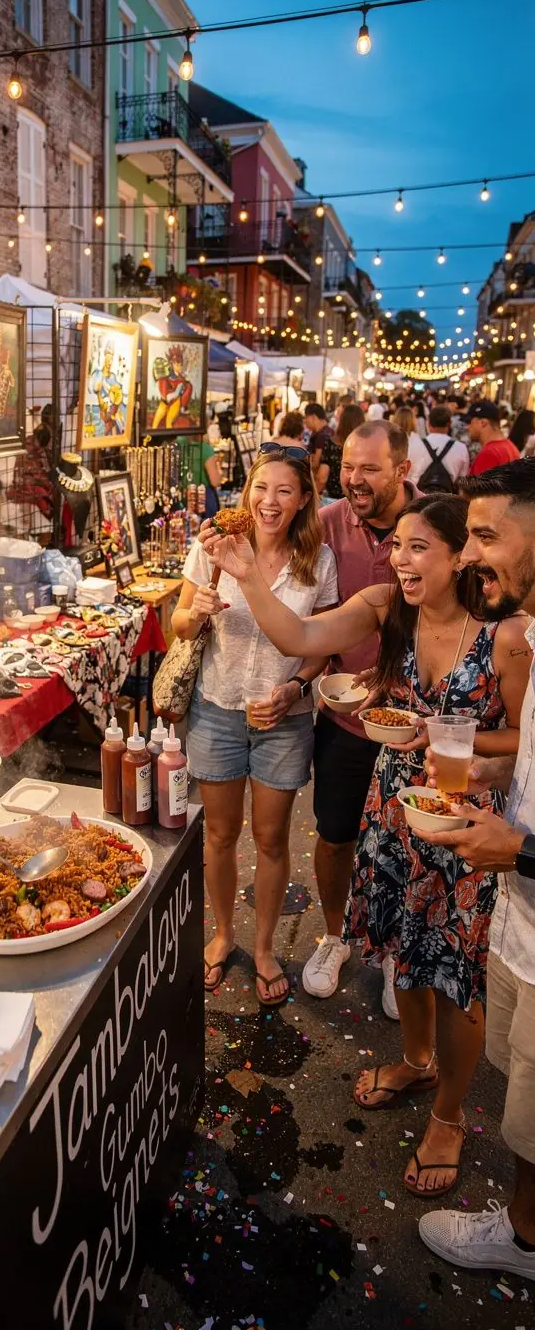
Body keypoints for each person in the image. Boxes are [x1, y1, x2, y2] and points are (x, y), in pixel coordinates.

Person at [199, 494, 529, 1197]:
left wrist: (448, 737)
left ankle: (448, 1117)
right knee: (403, 951)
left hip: (468, 823)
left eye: (418, 548)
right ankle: (415, 1060)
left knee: (456, 973)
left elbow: (526, 738)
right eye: (397, 547)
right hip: (395, 806)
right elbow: (297, 636)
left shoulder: (504, 635)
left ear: (457, 556)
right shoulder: (385, 606)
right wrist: (247, 575)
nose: (400, 561)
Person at [418, 460, 535, 1276]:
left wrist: (520, 848)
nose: (467, 556)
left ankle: (525, 1242)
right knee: (525, 1099)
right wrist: (498, 785)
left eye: (487, 536)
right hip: (521, 918)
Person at [171, 446, 338, 1006]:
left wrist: (296, 688)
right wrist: (195, 613)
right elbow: (177, 623)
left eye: (284, 491)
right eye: (261, 488)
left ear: (302, 500)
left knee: (270, 838)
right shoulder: (214, 545)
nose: (269, 502)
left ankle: (263, 948)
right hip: (216, 708)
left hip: (284, 721)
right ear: (247, 491)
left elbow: (322, 646)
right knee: (219, 835)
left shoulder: (317, 561)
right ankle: (222, 934)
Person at [303, 420, 416, 1010]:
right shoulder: (325, 523)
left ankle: (398, 951)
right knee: (336, 832)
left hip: (411, 724)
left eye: (370, 468)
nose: (355, 479)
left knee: (406, 840)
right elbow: (309, 610)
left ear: (403, 470)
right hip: (345, 716)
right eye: (348, 466)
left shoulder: (433, 525)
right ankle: (335, 935)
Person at [410, 404, 470, 492]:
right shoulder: (461, 448)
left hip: (418, 500)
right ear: (449, 424)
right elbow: (462, 481)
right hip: (447, 501)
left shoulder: (414, 444)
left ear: (429, 423)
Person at [315, 402, 365, 501]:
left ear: (342, 421)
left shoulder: (331, 444)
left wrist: (313, 495)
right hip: (358, 498)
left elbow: (322, 477)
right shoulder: (365, 446)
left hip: (332, 500)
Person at [467, 399, 520, 476]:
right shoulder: (511, 447)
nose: (467, 427)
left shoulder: (488, 454)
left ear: (483, 423)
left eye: (470, 422)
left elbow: (479, 487)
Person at [179, 428, 223, 518]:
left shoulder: (179, 445)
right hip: (203, 500)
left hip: (183, 498)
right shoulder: (205, 449)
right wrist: (220, 472)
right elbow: (215, 481)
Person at [393, 406, 426, 483]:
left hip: (392, 482)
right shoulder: (417, 441)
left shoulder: (389, 438)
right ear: (413, 421)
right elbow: (420, 466)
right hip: (411, 482)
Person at [303, 402, 332, 476]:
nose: (305, 421)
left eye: (306, 417)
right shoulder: (330, 431)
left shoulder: (322, 436)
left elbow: (315, 464)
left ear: (313, 417)